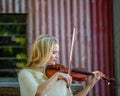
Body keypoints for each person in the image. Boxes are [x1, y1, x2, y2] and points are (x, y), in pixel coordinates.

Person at [18, 34, 104, 96]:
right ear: (43, 52)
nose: (57, 56)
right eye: (54, 53)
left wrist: (91, 84)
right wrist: (56, 76)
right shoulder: (26, 73)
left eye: (57, 53)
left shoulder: (61, 77)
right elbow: (39, 94)